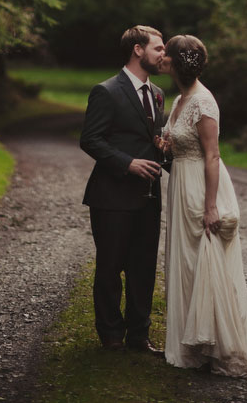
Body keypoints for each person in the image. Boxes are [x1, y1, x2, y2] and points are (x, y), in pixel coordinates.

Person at [157, 34, 247, 380]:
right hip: (181, 182)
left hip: (200, 188)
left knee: (203, 263)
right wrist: (166, 146)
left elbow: (212, 154)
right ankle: (192, 346)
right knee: (186, 262)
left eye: (166, 54)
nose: (161, 58)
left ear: (177, 63)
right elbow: (183, 143)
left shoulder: (203, 103)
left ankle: (218, 346)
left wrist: (211, 206)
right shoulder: (181, 99)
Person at [80, 25, 167, 354]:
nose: (163, 54)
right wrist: (127, 163)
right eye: (158, 48)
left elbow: (152, 141)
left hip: (149, 197)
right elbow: (90, 139)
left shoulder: (157, 93)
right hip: (112, 195)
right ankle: (111, 335)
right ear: (138, 50)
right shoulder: (106, 91)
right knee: (109, 267)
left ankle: (139, 335)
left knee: (143, 267)